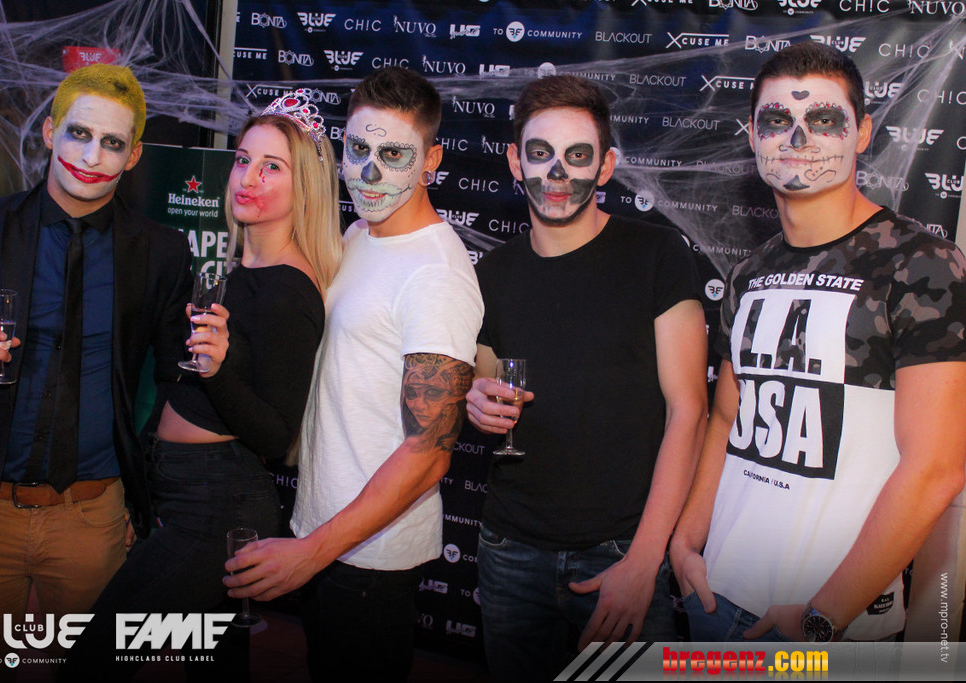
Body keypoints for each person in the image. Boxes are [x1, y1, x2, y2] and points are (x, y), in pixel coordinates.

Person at [669, 41, 966, 643]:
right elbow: (727, 417)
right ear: (753, 136)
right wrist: (687, 541)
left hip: (827, 620)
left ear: (862, 133)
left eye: (824, 119)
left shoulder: (921, 263)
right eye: (777, 120)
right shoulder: (749, 271)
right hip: (714, 596)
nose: (797, 137)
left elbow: (937, 467)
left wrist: (823, 615)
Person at [59, 89, 343, 680]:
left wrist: (215, 372)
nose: (249, 177)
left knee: (92, 660)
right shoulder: (241, 272)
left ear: (305, 188)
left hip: (215, 505)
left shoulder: (289, 290)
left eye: (272, 167)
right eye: (243, 160)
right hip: (186, 491)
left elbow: (274, 435)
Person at [224, 67, 483, 682]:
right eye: (358, 149)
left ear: (430, 161)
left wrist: (312, 552)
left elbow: (429, 453)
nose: (369, 172)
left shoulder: (435, 275)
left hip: (369, 558)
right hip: (328, 534)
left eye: (393, 155)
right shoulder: (362, 233)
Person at [0, 64, 193, 681]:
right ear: (51, 132)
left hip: (93, 517)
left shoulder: (160, 252)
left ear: (134, 155)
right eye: (79, 134)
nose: (92, 156)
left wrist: (142, 494)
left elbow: (173, 383)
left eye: (112, 142)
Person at [464, 74, 708, 680]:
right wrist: (475, 397)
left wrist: (644, 562)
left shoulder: (656, 255)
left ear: (606, 166)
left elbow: (689, 412)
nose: (557, 173)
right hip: (508, 548)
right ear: (515, 162)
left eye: (577, 156)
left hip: (622, 549)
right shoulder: (491, 274)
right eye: (540, 153)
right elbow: (485, 384)